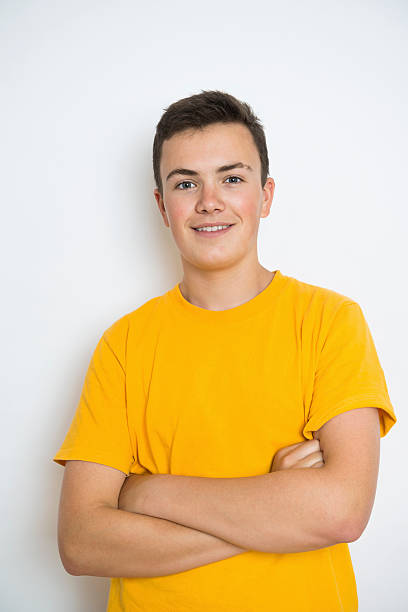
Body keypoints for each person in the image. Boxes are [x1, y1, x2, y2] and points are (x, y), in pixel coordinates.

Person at [53, 90, 397, 611]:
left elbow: (342, 511)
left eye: (232, 178)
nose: (209, 200)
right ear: (161, 206)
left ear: (265, 195)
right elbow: (80, 541)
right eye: (185, 183)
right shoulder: (123, 346)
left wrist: (150, 494)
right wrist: (276, 509)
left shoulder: (330, 323)